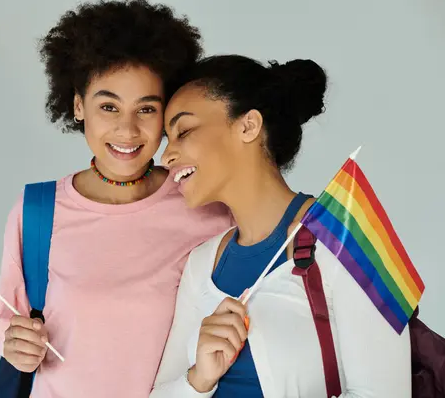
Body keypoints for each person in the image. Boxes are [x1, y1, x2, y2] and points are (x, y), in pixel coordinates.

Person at [0, 0, 233, 397]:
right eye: (108, 106)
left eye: (146, 109)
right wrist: (16, 344)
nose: (127, 129)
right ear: (77, 105)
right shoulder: (37, 211)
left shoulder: (207, 206)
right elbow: (7, 326)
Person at [150, 54, 411, 397]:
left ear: (248, 126)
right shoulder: (202, 263)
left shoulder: (345, 234)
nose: (166, 156)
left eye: (183, 131)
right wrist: (199, 379)